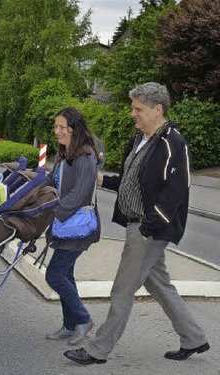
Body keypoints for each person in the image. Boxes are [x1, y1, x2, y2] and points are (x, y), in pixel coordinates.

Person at [64, 82, 209, 365]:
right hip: (139, 225)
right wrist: (102, 179)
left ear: (158, 110)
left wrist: (149, 228)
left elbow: (176, 192)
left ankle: (97, 350)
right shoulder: (139, 139)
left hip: (148, 229)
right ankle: (194, 337)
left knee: (122, 289)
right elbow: (132, 182)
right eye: (133, 108)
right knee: (159, 284)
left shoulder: (173, 142)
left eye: (138, 109)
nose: (133, 114)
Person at [44, 107, 101, 346]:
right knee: (65, 274)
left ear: (73, 129)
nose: (56, 131)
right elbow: (51, 181)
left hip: (78, 226)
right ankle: (70, 325)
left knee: (55, 274)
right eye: (56, 127)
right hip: (65, 225)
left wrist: (51, 211)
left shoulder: (86, 156)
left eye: (60, 127)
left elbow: (80, 194)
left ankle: (83, 319)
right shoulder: (64, 153)